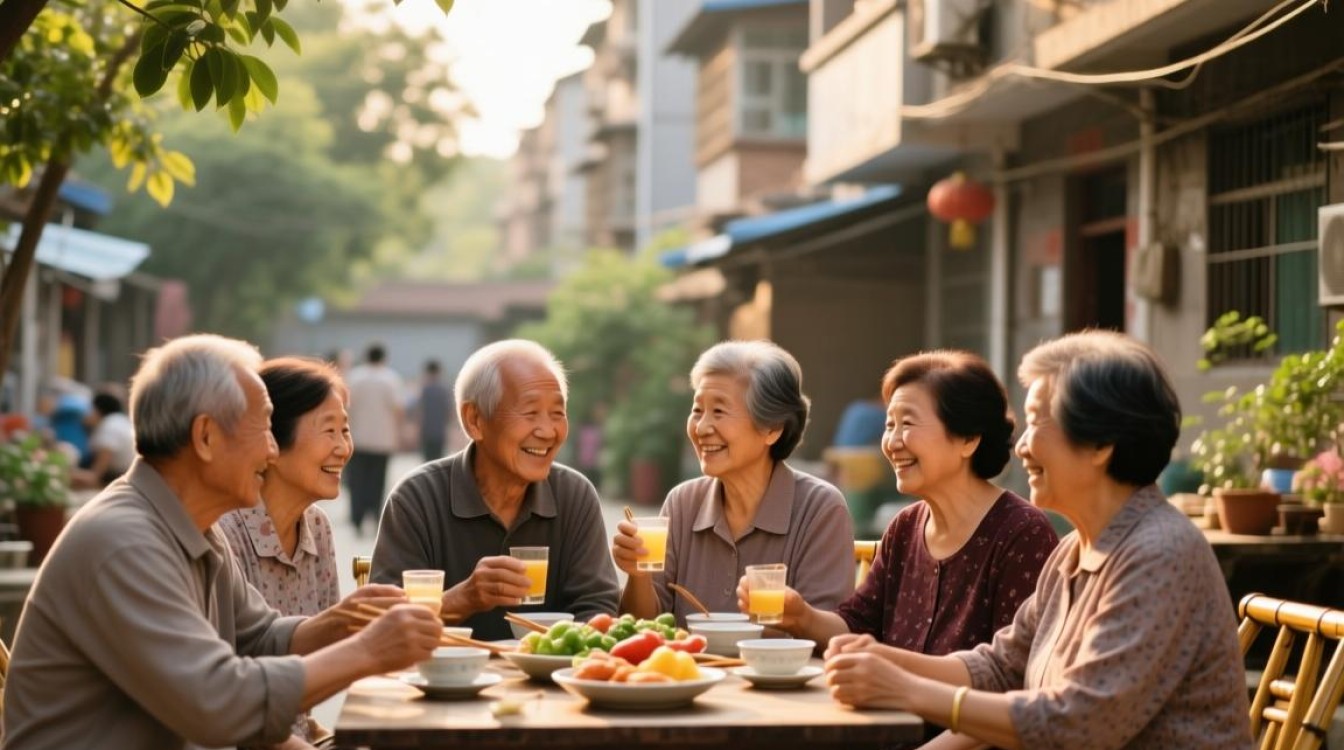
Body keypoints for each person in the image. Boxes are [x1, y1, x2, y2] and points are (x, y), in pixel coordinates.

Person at [2, 334, 443, 750]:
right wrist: (367, 650)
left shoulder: (195, 529)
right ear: (206, 437)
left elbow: (261, 636)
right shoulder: (124, 542)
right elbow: (218, 703)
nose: (272, 450)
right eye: (264, 428)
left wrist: (345, 621)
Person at [823, 331, 1253, 750]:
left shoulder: (1159, 555)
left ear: (1100, 443)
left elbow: (1077, 724)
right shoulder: (1073, 551)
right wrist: (882, 660)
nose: (1022, 446)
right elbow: (1000, 666)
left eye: (1037, 423)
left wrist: (907, 690)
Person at [758, 351, 1057, 658]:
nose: (892, 442)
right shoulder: (905, 526)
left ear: (968, 438)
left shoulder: (1022, 534)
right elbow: (857, 625)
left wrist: (892, 669)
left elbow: (1011, 668)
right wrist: (801, 616)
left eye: (908, 423)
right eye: (890, 425)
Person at [370, 339, 619, 640]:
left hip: (550, 671)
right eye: (530, 413)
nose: (548, 431)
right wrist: (463, 598)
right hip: (441, 671)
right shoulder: (417, 498)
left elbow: (598, 608)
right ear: (474, 420)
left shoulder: (574, 495)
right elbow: (382, 625)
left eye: (557, 413)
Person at [611, 340, 855, 624]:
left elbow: (831, 634)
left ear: (772, 428)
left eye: (719, 411)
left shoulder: (820, 509)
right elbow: (644, 627)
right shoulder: (682, 504)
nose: (702, 427)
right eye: (697, 410)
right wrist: (638, 575)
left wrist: (795, 615)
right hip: (692, 656)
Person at [218, 357, 351, 747]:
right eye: (329, 430)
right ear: (272, 440)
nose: (343, 448)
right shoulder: (225, 532)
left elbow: (318, 671)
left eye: (345, 430)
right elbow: (226, 703)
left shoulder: (317, 528)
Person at [344, 342, 404, 536]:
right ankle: (376, 516)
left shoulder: (354, 377)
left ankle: (357, 518)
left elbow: (346, 407)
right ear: (383, 358)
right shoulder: (391, 379)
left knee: (357, 481)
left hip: (357, 438)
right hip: (382, 439)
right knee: (377, 482)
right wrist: (398, 433)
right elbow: (398, 409)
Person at [71, 390, 136, 489]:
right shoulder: (120, 421)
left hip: (124, 479)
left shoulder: (109, 427)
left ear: (97, 410)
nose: (85, 415)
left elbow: (94, 477)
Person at [414, 358, 452, 462]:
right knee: (439, 461)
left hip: (426, 430)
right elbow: (449, 411)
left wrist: (417, 429)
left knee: (427, 461)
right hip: (440, 430)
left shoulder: (424, 389)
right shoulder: (444, 389)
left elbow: (419, 411)